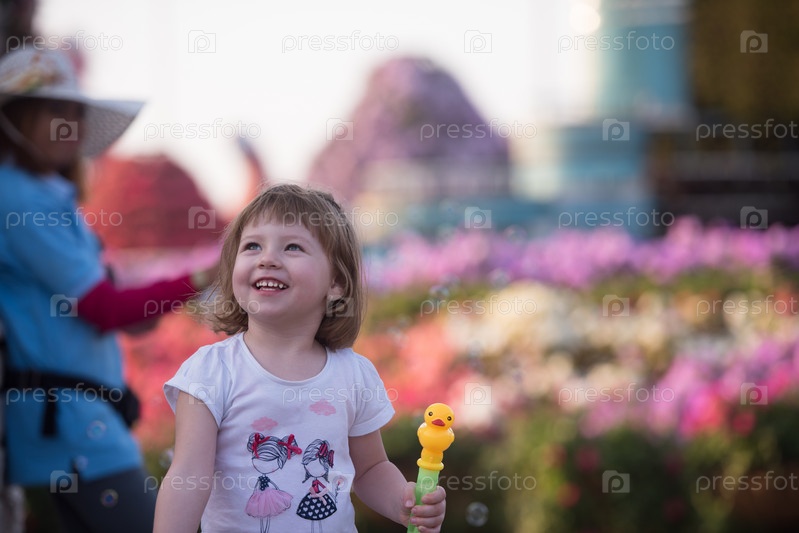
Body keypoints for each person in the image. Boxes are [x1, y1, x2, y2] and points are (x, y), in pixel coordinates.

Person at [0, 48, 216, 532]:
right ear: (15, 118)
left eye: (76, 112)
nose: (71, 125)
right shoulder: (20, 198)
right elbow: (105, 309)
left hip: (76, 420)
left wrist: (146, 304)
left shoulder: (43, 196)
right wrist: (206, 277)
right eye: (55, 110)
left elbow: (109, 306)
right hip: (71, 429)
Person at [154, 184, 447, 532]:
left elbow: (370, 469)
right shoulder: (211, 371)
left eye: (292, 247)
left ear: (336, 282)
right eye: (252, 246)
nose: (267, 259)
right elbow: (189, 477)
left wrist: (403, 501)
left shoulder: (353, 374)